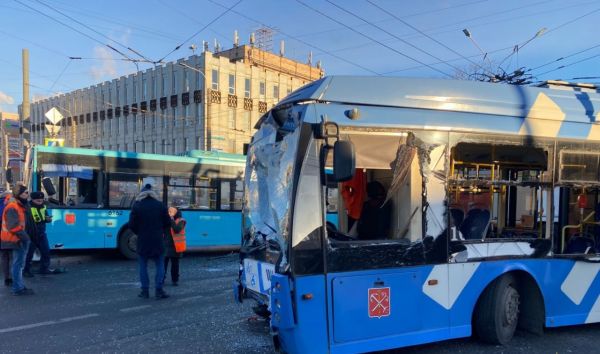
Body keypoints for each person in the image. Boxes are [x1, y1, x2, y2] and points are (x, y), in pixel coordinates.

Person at [129, 182, 171, 299]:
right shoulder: (160, 205)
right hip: (157, 240)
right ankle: (159, 290)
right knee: (160, 265)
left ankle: (145, 291)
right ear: (153, 194)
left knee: (143, 266)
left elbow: (131, 224)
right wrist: (160, 231)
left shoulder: (137, 205)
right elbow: (168, 223)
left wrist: (139, 232)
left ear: (142, 194)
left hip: (143, 240)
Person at [1, 183, 34, 295]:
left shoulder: (20, 205)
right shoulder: (13, 207)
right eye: (26, 192)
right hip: (16, 239)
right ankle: (17, 288)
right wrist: (25, 238)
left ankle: (19, 286)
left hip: (18, 238)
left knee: (19, 264)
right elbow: (13, 226)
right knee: (18, 264)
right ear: (19, 194)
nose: (28, 195)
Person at [24, 192, 58, 275]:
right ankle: (26, 270)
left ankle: (44, 269)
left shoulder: (43, 206)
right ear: (32, 199)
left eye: (41, 199)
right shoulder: (27, 207)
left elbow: (45, 218)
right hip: (31, 234)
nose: (40, 200)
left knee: (46, 251)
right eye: (37, 199)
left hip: (41, 233)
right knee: (29, 253)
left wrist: (48, 219)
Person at [164, 206, 186, 286]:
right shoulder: (167, 220)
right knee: (164, 264)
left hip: (175, 247)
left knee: (175, 264)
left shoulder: (181, 221)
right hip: (166, 245)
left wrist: (171, 219)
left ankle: (175, 280)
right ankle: (162, 279)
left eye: (171, 212)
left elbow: (176, 229)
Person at [0, 191, 12, 286]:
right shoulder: (8, 206)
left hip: (3, 236)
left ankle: (6, 277)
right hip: (8, 236)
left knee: (4, 256)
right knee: (11, 257)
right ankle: (10, 277)